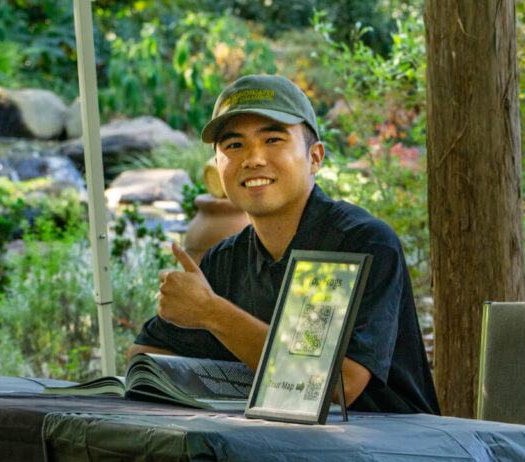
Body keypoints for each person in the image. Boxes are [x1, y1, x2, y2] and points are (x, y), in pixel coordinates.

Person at [129, 74, 439, 414]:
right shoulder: (226, 259)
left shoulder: (356, 244)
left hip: (389, 450)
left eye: (273, 139)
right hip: (273, 447)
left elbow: (338, 384)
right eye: (234, 146)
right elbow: (143, 356)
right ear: (217, 167)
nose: (253, 159)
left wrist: (211, 312)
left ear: (315, 157)